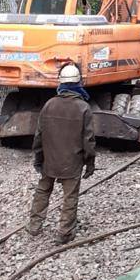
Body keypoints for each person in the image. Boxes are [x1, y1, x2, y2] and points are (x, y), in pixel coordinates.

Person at [28, 64, 96, 243]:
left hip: (50, 161)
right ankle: (64, 232)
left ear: (61, 83)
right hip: (72, 163)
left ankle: (34, 225)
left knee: (42, 191)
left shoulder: (49, 105)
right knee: (70, 197)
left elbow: (38, 136)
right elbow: (88, 141)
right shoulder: (83, 108)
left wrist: (39, 159)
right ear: (78, 83)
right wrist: (90, 163)